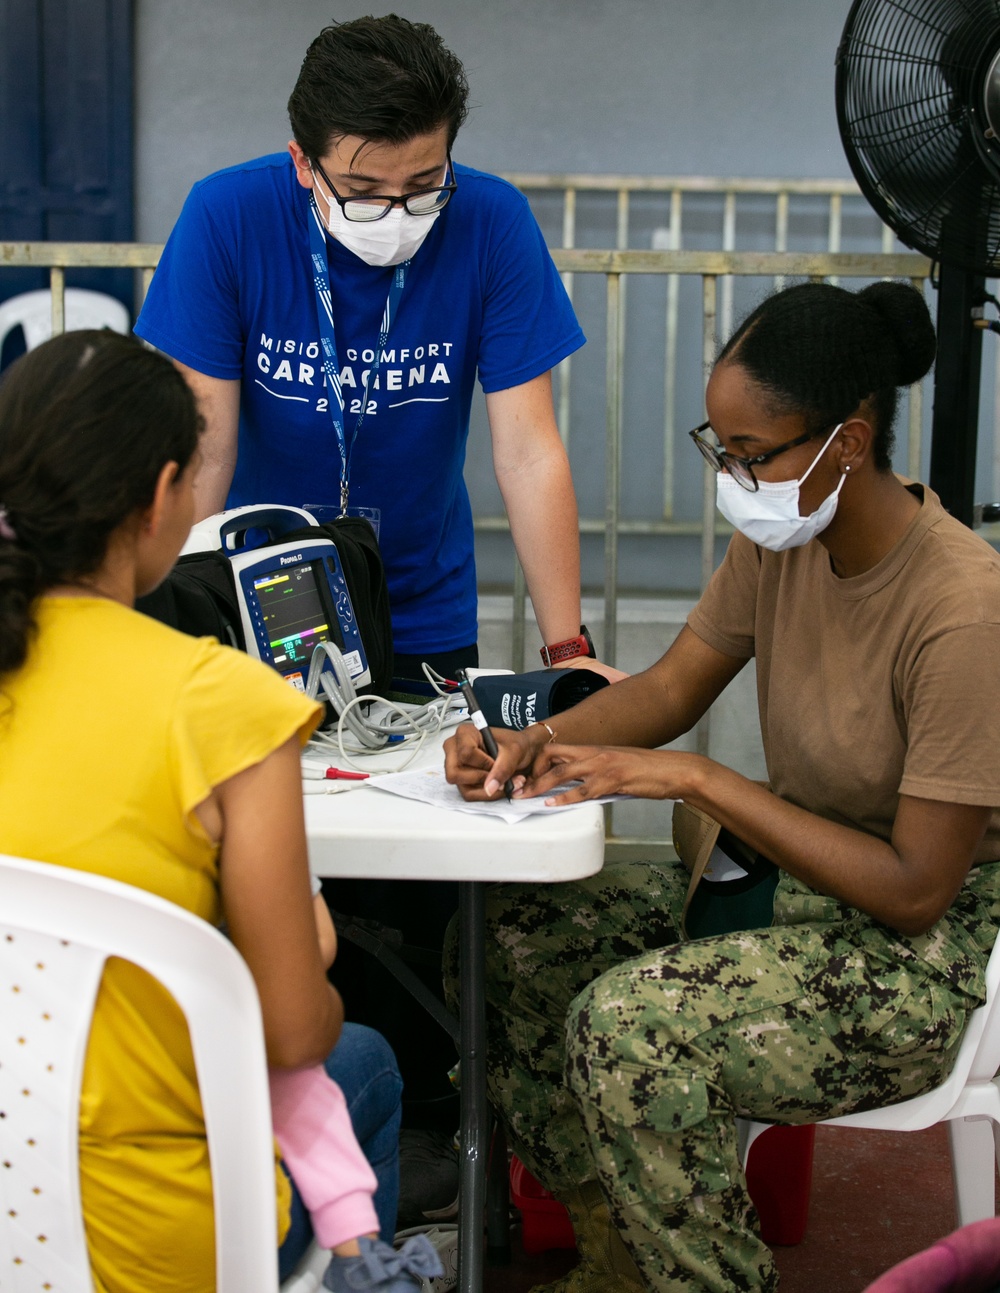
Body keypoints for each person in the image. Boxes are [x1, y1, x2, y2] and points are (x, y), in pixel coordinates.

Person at [444, 280, 1000, 1293]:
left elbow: (915, 888)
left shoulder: (960, 610)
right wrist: (518, 739)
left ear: (847, 442)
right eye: (723, 447)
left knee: (631, 1029)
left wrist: (699, 780)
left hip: (922, 955)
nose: (733, 476)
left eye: (754, 455)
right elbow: (665, 691)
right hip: (791, 899)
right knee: (511, 930)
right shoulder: (779, 546)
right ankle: (620, 1253)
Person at [0, 330, 437, 1293]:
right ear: (163, 499)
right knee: (358, 1057)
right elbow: (293, 1034)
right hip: (152, 1239)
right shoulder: (223, 704)